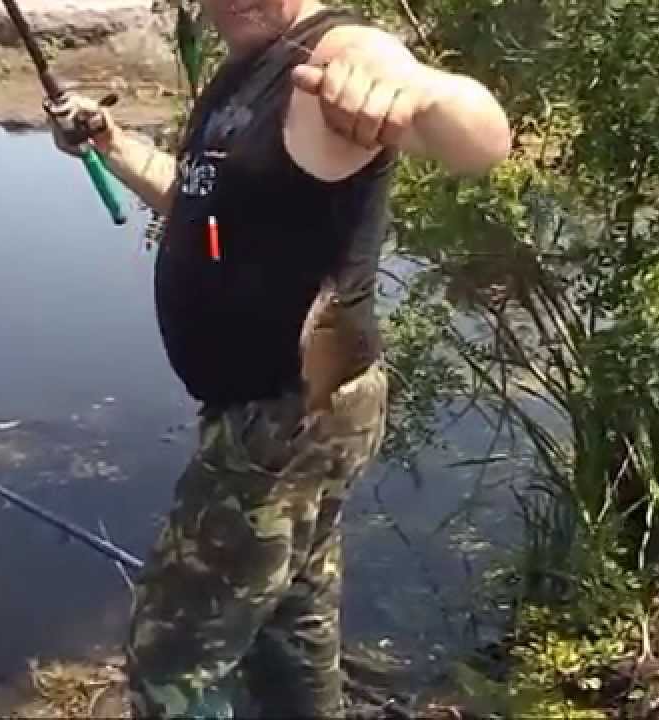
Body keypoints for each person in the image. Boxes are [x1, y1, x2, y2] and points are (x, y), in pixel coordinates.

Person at [46, 0, 510, 715]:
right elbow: (200, 203)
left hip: (285, 417)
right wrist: (110, 142)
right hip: (284, 416)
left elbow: (480, 138)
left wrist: (423, 91)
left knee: (172, 653)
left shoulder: (338, 54)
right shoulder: (246, 71)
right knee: (293, 622)